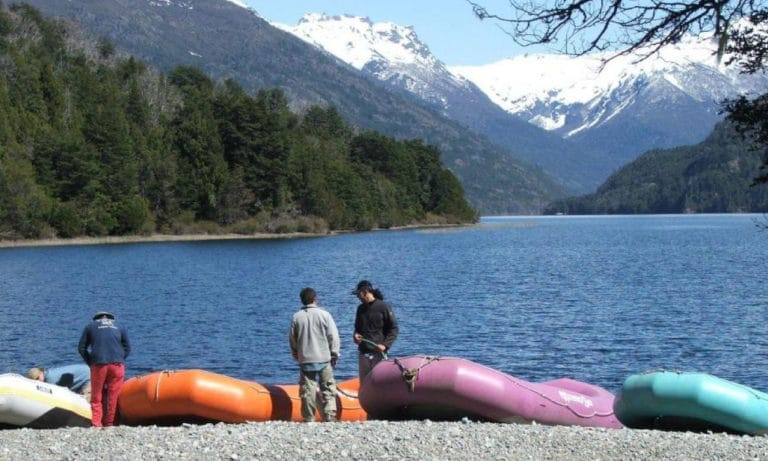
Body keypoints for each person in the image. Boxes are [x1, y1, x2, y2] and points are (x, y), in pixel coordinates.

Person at [289, 287, 340, 422]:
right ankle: (329, 414)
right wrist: (335, 353)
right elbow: (333, 336)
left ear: (302, 300)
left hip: (305, 358)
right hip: (324, 357)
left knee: (307, 390)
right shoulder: (325, 315)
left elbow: (292, 338)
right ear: (315, 299)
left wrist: (295, 352)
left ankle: (309, 417)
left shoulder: (296, 317)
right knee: (328, 387)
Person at [78, 311, 131, 427]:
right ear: (111, 318)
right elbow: (127, 347)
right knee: (114, 395)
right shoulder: (120, 326)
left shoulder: (90, 326)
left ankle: (96, 423)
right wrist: (121, 358)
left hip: (98, 364)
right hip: (117, 364)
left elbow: (81, 348)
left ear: (96, 318)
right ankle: (110, 423)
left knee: (96, 396)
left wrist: (90, 362)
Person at [352, 280, 398, 379]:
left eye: (358, 294)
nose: (357, 297)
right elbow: (357, 328)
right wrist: (355, 335)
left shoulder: (383, 307)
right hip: (363, 354)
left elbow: (394, 328)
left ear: (365, 293)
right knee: (364, 384)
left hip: (379, 354)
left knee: (379, 384)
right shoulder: (360, 309)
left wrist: (385, 345)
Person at [27, 364, 92, 399]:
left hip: (87, 376)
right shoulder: (48, 374)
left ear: (41, 373)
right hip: (82, 374)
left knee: (85, 399)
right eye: (35, 380)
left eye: (37, 378)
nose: (37, 381)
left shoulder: (50, 379)